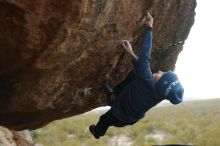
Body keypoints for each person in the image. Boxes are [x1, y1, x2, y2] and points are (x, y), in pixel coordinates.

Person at [89, 12, 184, 139]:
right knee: (135, 76)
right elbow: (142, 71)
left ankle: (98, 132)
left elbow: (145, 57)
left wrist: (149, 28)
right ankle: (112, 96)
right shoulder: (160, 94)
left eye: (163, 74)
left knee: (104, 120)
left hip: (118, 115)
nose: (160, 71)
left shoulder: (148, 81)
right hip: (130, 118)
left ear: (162, 84)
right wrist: (130, 53)